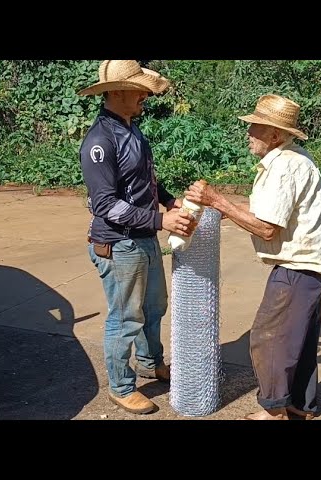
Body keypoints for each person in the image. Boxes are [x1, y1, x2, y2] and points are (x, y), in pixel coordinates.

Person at [185, 94, 321, 420]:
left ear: (274, 135)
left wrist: (218, 201)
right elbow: (268, 209)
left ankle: (274, 411)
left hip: (299, 263)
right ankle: (301, 405)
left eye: (255, 127)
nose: (249, 133)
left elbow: (267, 229)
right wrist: (225, 209)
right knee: (299, 337)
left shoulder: (284, 166)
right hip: (312, 262)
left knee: (268, 337)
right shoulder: (290, 159)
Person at [78, 60, 196, 415]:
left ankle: (150, 362)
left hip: (142, 237)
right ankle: (121, 386)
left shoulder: (133, 130)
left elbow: (146, 181)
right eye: (138, 89)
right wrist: (162, 220)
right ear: (116, 92)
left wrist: (170, 201)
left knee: (153, 307)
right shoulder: (99, 141)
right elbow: (105, 206)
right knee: (126, 317)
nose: (145, 95)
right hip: (118, 243)